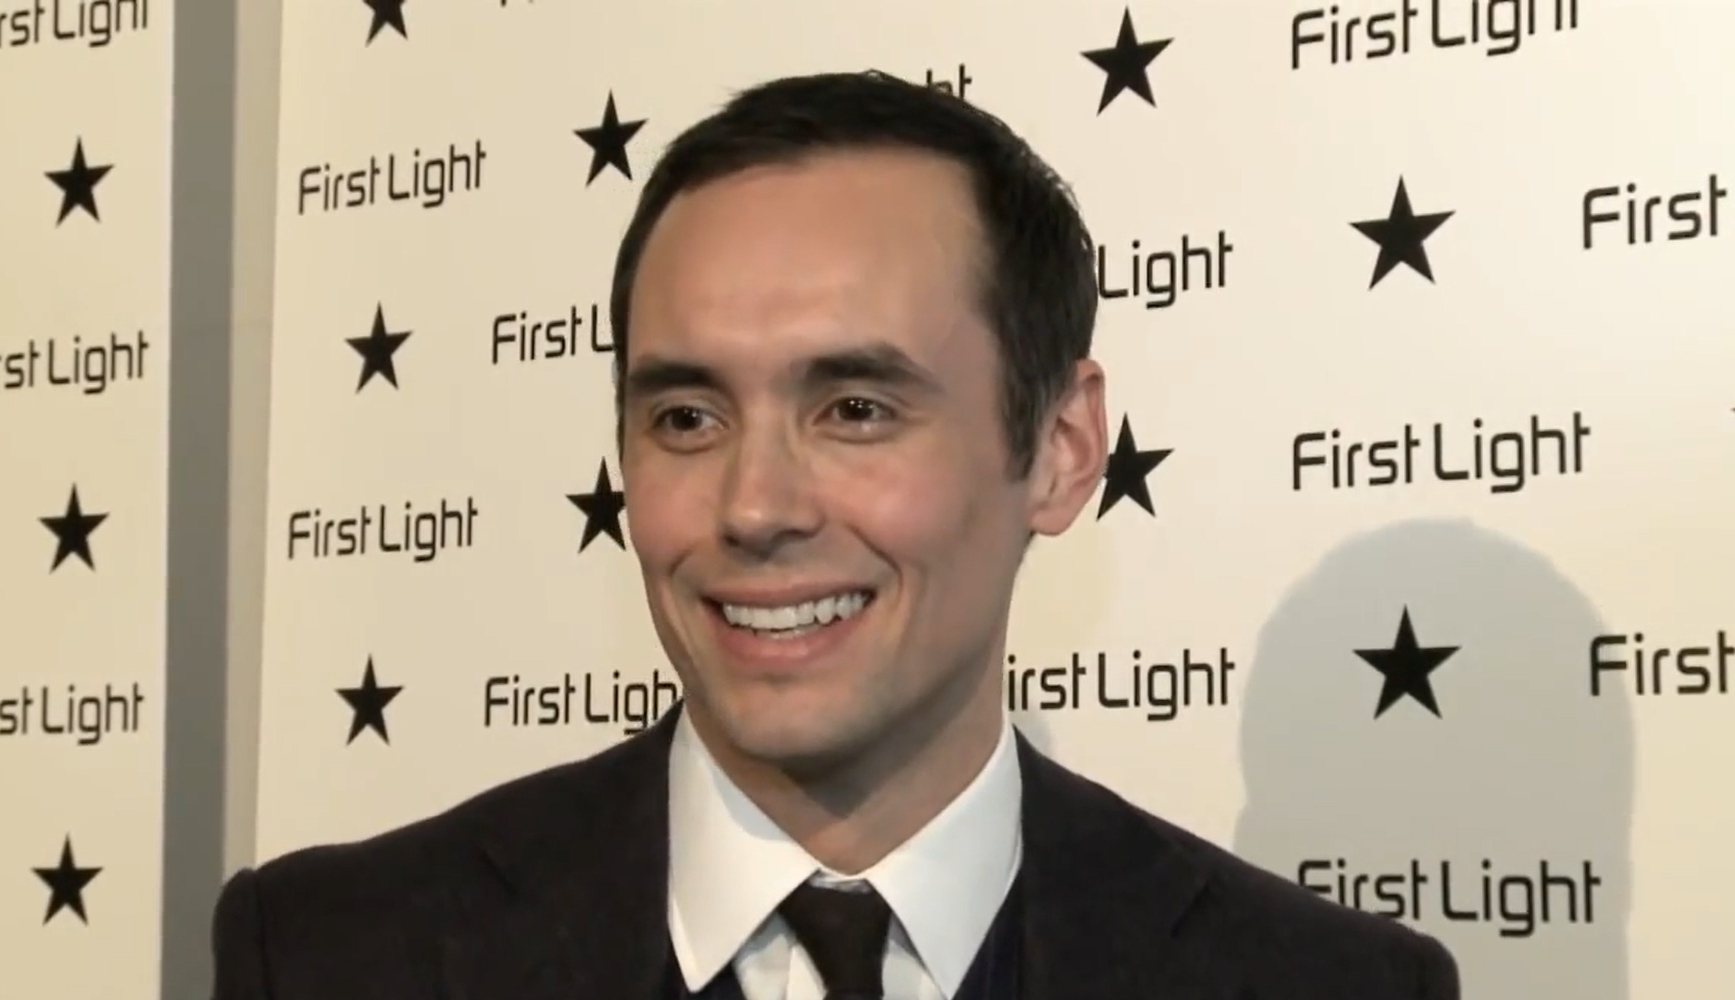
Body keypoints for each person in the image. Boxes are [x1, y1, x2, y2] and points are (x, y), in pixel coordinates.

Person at [210, 70, 1460, 1000]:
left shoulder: (1320, 986)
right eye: (687, 415)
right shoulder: (332, 954)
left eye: (855, 408)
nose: (755, 506)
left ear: (1062, 448)